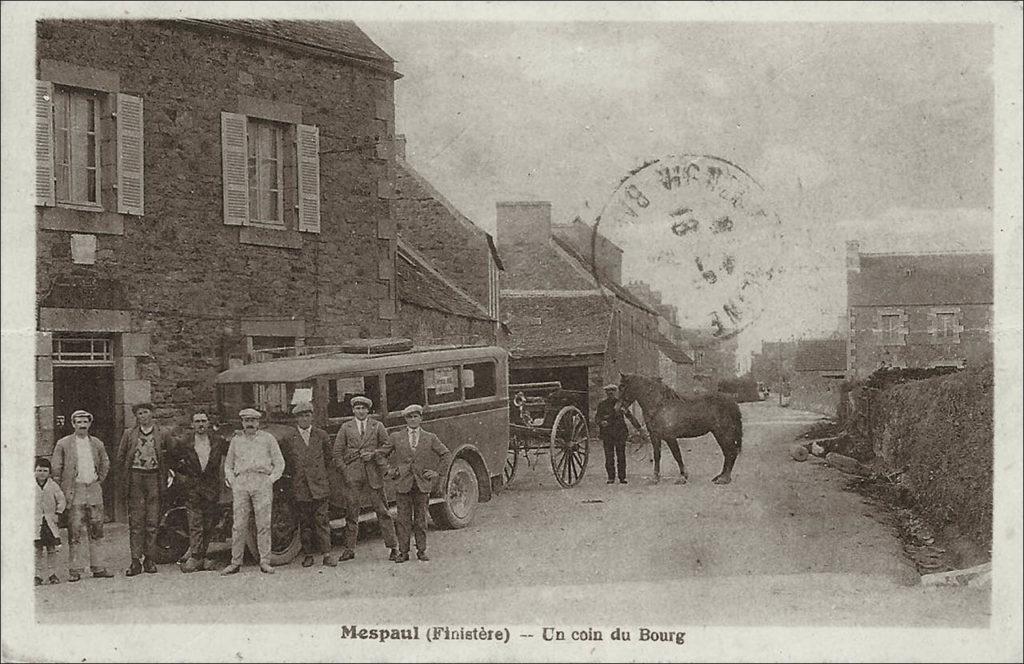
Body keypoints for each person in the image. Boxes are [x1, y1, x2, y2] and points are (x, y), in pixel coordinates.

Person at [50, 409, 114, 582]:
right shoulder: (63, 444)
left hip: (93, 488)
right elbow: (56, 468)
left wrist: (98, 480)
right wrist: (63, 488)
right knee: (75, 530)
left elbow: (105, 463)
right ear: (73, 424)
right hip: (74, 489)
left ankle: (98, 567)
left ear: (90, 424)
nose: (82, 425)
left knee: (97, 529)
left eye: (85, 422)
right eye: (79, 422)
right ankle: (75, 569)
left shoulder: (97, 443)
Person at [332, 395, 399, 562]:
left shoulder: (377, 426)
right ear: (353, 410)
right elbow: (337, 453)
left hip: (373, 474)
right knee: (351, 513)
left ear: (368, 410)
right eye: (357, 408)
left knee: (383, 511)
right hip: (353, 475)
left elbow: (387, 447)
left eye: (363, 408)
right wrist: (345, 471)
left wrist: (374, 455)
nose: (360, 411)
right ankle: (349, 549)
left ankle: (393, 548)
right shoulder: (346, 427)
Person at [221, 408, 284, 576]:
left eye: (253, 420)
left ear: (258, 422)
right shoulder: (236, 440)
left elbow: (279, 462)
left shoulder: (268, 439)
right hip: (241, 482)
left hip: (261, 480)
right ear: (242, 422)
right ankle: (235, 562)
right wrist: (233, 481)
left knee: (263, 524)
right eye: (246, 420)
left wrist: (270, 480)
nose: (250, 423)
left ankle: (265, 561)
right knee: (239, 524)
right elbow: (228, 464)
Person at [386, 404, 451, 563]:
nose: (413, 420)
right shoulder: (396, 437)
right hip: (403, 483)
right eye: (409, 417)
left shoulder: (430, 437)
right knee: (403, 520)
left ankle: (421, 551)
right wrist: (390, 470)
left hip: (422, 484)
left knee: (421, 519)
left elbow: (446, 454)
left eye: (416, 416)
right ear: (405, 419)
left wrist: (437, 472)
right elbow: (381, 454)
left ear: (421, 418)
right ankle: (403, 552)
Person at [116, 402, 173, 576]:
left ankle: (150, 559)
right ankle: (135, 561)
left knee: (152, 520)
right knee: (137, 521)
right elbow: (121, 456)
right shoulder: (129, 434)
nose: (143, 416)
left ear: (152, 414)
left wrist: (167, 474)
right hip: (135, 478)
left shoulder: (162, 433)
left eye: (145, 412)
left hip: (154, 477)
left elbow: (170, 454)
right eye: (139, 413)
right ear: (136, 416)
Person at [279, 401, 336, 568]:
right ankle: (308, 554)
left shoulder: (321, 435)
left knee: (322, 521)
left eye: (307, 415)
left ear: (312, 416)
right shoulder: (289, 438)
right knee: (305, 523)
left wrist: (317, 475)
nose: (304, 419)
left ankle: (327, 554)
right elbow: (287, 462)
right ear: (296, 419)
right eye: (301, 416)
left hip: (319, 486)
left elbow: (328, 458)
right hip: (300, 487)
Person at [176, 410, 230, 573]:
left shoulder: (217, 441)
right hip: (192, 487)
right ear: (192, 424)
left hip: (211, 487)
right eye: (197, 421)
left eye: (203, 421)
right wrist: (183, 476)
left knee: (209, 523)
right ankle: (195, 556)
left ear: (208, 423)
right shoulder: (185, 442)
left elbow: (233, 454)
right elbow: (173, 460)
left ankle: (203, 555)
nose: (201, 424)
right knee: (195, 523)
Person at [596, 384, 641, 485]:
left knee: (621, 456)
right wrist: (601, 422)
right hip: (607, 434)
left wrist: (639, 428)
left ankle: (622, 478)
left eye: (612, 390)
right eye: (608, 391)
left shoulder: (620, 404)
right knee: (609, 457)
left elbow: (629, 416)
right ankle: (611, 478)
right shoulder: (602, 404)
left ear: (616, 392)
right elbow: (597, 418)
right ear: (606, 393)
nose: (610, 392)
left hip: (620, 433)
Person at [34, 457, 66, 585]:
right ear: (35, 471)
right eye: (39, 470)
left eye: (45, 471)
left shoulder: (53, 486)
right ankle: (37, 575)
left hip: (50, 521)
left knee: (52, 548)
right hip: (35, 521)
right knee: (37, 550)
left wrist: (58, 512)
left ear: (49, 473)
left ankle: (53, 574)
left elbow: (61, 500)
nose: (42, 473)